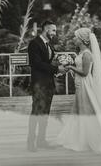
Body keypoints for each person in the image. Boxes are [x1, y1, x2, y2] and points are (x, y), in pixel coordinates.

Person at [56, 27, 101, 156]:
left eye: (76, 37)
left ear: (82, 40)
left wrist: (71, 67)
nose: (74, 39)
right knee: (79, 109)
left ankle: (95, 137)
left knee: (87, 109)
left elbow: (84, 73)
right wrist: (70, 66)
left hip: (85, 84)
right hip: (79, 84)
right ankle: (81, 138)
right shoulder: (81, 53)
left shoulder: (87, 54)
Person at [27, 20, 66, 152]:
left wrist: (60, 64)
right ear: (46, 29)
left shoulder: (48, 45)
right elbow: (36, 64)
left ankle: (41, 140)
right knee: (36, 113)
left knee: (45, 113)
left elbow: (49, 61)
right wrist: (56, 69)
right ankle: (30, 142)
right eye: (53, 30)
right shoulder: (34, 44)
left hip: (48, 84)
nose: (55, 33)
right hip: (39, 85)